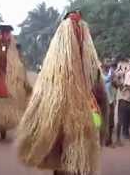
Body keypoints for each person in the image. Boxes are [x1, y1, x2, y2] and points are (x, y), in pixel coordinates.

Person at [16, 11, 108, 175]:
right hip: (63, 111)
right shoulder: (55, 65)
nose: (76, 28)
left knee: (94, 125)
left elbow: (98, 85)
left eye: (78, 26)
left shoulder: (89, 59)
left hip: (87, 110)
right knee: (60, 143)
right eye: (73, 26)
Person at [102, 60, 117, 147]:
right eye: (106, 67)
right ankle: (102, 139)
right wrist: (111, 77)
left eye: (109, 66)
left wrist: (114, 81)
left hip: (110, 101)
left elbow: (116, 85)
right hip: (102, 102)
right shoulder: (99, 74)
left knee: (110, 122)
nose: (108, 68)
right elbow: (104, 81)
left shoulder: (112, 74)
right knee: (99, 121)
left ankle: (109, 140)